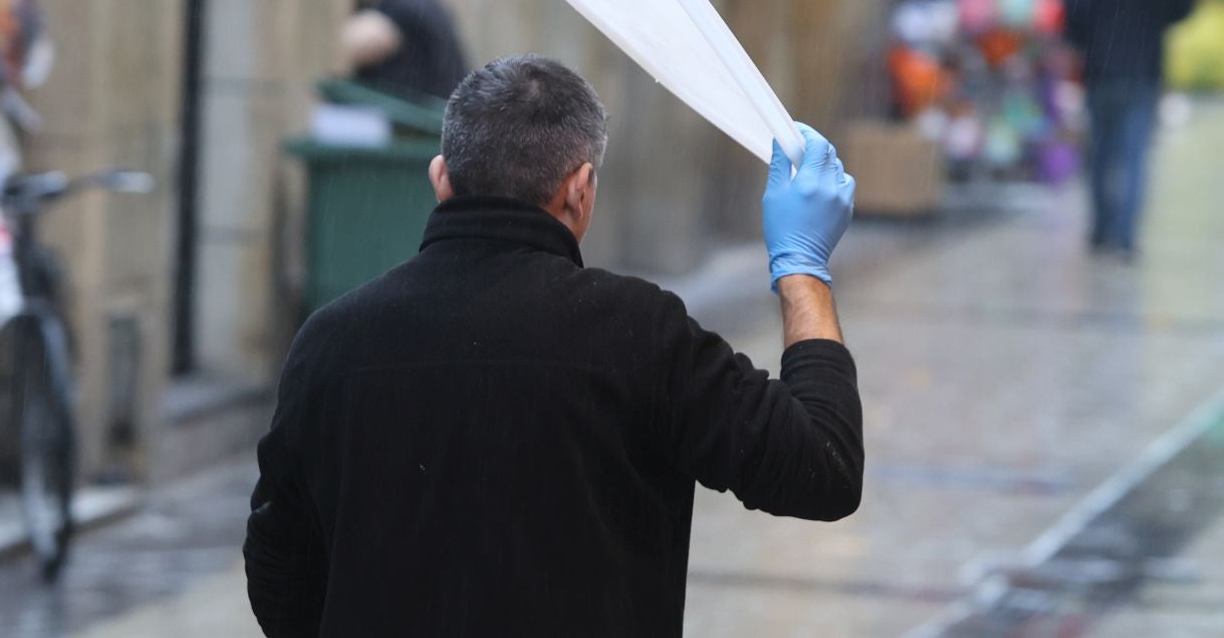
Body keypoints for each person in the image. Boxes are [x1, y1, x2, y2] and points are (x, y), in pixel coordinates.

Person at [244, 55, 862, 637]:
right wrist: (801, 267)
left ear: (440, 178)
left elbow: (277, 569)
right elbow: (822, 467)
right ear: (580, 188)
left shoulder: (330, 342)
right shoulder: (639, 332)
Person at [1064, 0, 1195, 256]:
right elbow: (1184, 4)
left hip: (1101, 67)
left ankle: (1100, 229)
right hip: (1141, 68)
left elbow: (1074, 8)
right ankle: (1124, 236)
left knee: (1100, 153)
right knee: (1134, 155)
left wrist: (1088, 38)